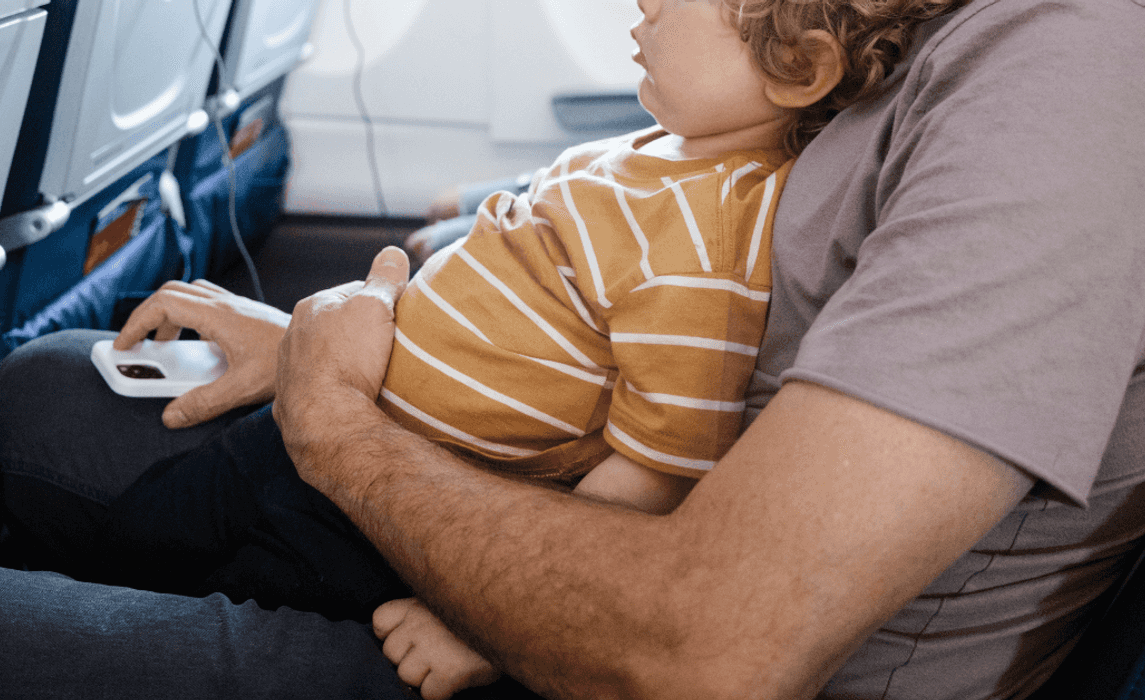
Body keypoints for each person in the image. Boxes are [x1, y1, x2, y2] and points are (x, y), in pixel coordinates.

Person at [0, 0, 1143, 698]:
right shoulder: (883, 40)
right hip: (519, 513)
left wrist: (336, 420)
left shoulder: (1073, 66)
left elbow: (709, 646)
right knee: (40, 391)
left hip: (579, 650)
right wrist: (317, 335)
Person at [86, 0, 880, 695]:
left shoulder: (707, 255)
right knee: (137, 534)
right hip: (336, 418)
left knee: (164, 607)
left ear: (800, 68)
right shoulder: (660, 145)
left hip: (387, 511)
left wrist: (490, 622)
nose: (642, 4)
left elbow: (656, 470)